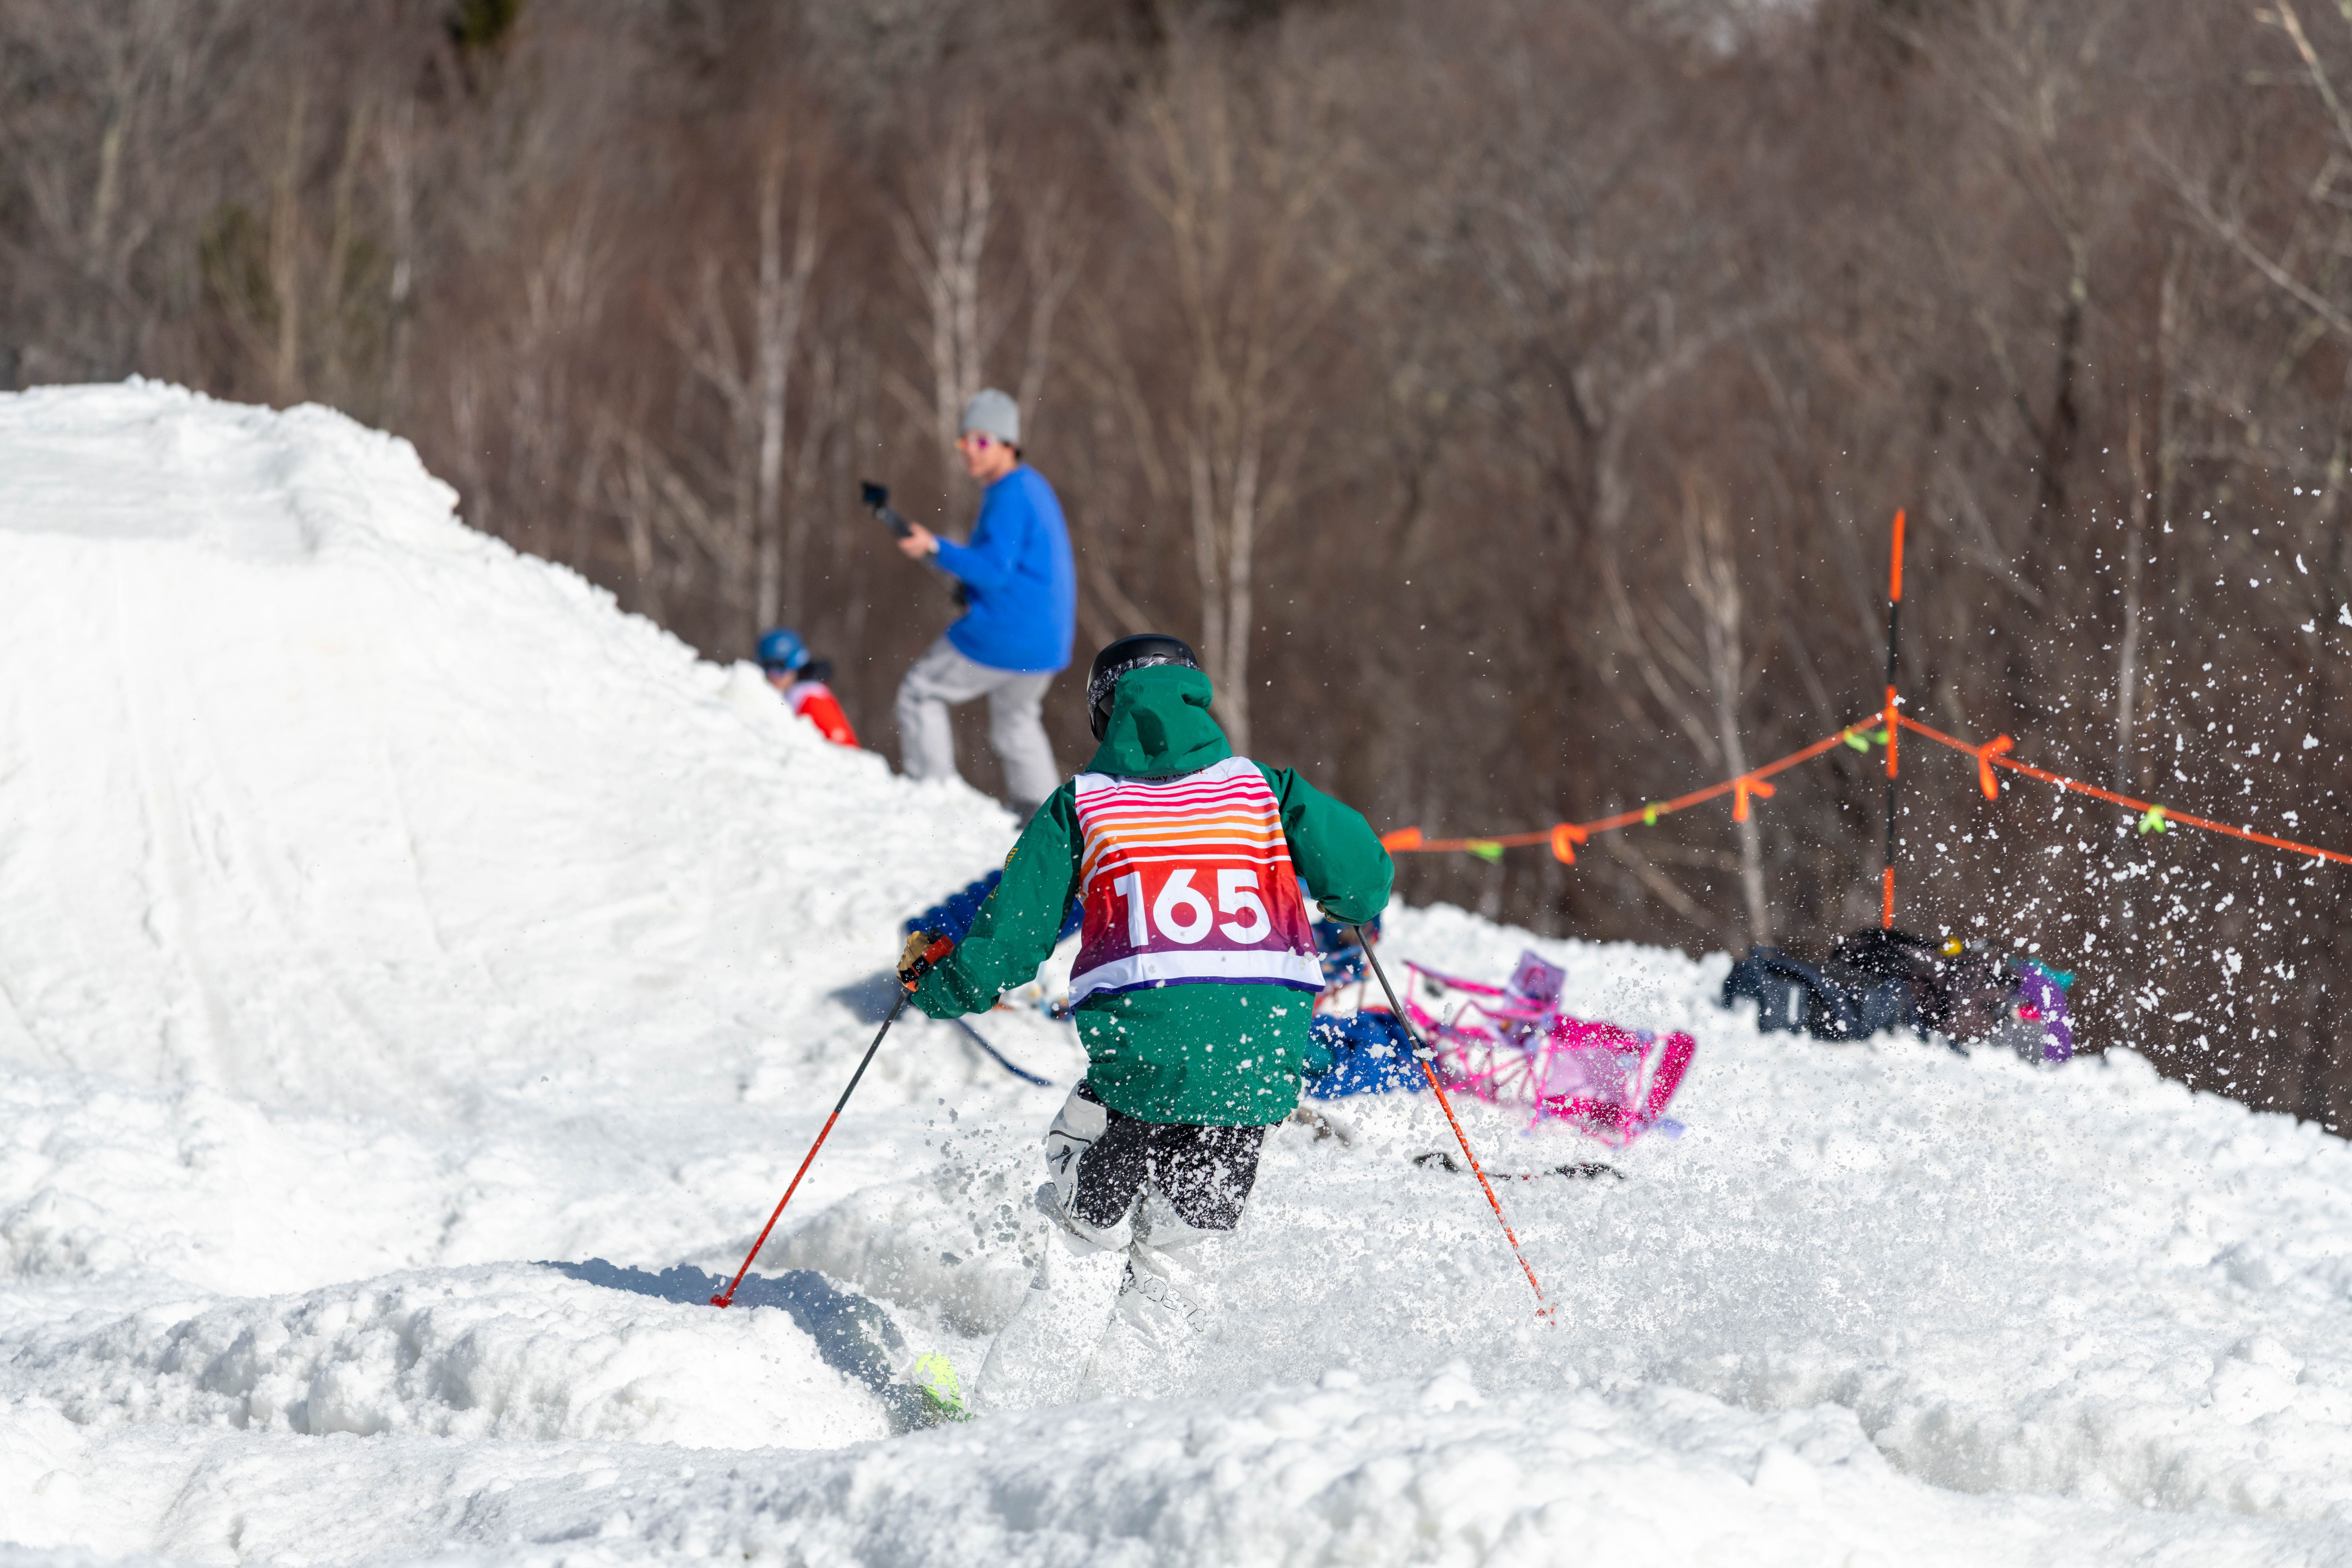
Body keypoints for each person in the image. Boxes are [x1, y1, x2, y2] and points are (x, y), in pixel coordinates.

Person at [898, 634, 1392, 1408]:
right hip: (1254, 1071)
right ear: (1199, 697)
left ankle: (1006, 1413)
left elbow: (1015, 939)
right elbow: (1362, 873)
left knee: (1086, 1246)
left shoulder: (1086, 804)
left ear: (1105, 711)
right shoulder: (1266, 790)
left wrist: (937, 980)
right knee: (1179, 1268)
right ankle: (1124, 1423)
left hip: (1141, 1067)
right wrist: (1351, 901)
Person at [892, 388, 1076, 819]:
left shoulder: (1010, 492)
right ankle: (1045, 820)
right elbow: (1023, 570)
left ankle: (934, 798)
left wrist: (934, 547)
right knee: (1016, 724)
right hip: (1046, 642)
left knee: (920, 692)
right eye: (965, 442)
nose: (970, 453)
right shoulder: (1034, 486)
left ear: (1008, 444)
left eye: (981, 442)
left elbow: (994, 569)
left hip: (1006, 633)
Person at [757, 627, 859, 748]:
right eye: (767, 666)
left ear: (796, 662)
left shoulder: (811, 698)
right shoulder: (781, 695)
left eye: (780, 666)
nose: (773, 675)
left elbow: (848, 753)